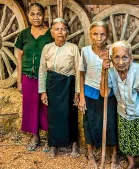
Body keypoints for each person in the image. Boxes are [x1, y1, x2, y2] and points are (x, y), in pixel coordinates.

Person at [101, 41, 139, 169]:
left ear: (131, 58)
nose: (121, 62)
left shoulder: (138, 71)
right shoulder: (111, 72)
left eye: (125, 57)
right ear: (111, 59)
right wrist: (103, 71)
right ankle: (132, 163)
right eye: (116, 57)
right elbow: (104, 93)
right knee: (125, 140)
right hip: (123, 111)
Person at [78, 21, 118, 168]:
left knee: (111, 123)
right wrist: (81, 97)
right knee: (89, 123)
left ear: (107, 36)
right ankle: (91, 155)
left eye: (102, 34)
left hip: (109, 92)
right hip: (90, 92)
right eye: (95, 34)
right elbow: (81, 74)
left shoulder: (112, 51)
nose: (99, 37)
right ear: (90, 35)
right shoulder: (85, 51)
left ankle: (114, 156)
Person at [38, 18, 80, 158]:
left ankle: (74, 144)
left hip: (69, 84)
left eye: (63, 29)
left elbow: (79, 71)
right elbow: (42, 70)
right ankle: (54, 145)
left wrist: (77, 91)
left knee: (71, 113)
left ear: (67, 32)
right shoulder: (47, 48)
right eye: (57, 29)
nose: (60, 32)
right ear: (52, 32)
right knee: (53, 115)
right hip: (52, 85)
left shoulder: (73, 48)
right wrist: (43, 91)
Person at [15, 2, 53, 151]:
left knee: (47, 106)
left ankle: (50, 137)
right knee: (30, 106)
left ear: (43, 16)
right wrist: (19, 81)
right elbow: (19, 58)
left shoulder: (50, 34)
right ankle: (35, 137)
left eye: (39, 14)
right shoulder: (23, 34)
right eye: (32, 14)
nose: (36, 17)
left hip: (46, 77)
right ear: (29, 16)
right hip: (28, 77)